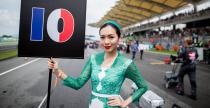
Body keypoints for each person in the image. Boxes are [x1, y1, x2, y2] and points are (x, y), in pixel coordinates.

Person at [48, 20, 148, 108]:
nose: (106, 42)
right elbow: (77, 84)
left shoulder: (126, 63)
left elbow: (143, 87)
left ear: (119, 38)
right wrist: (58, 71)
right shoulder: (93, 59)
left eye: (111, 37)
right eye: (102, 37)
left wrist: (124, 102)